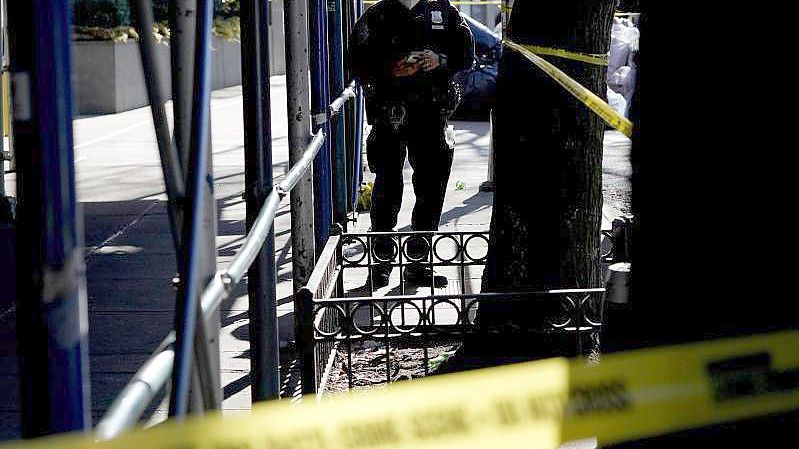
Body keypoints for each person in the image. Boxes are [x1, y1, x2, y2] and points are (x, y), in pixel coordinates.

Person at [350, 0, 474, 288]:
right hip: (389, 113)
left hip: (431, 113)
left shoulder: (444, 11)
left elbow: (466, 54)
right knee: (386, 188)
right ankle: (380, 265)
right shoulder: (379, 14)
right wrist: (391, 67)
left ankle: (419, 264)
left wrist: (438, 59)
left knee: (431, 187)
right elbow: (357, 61)